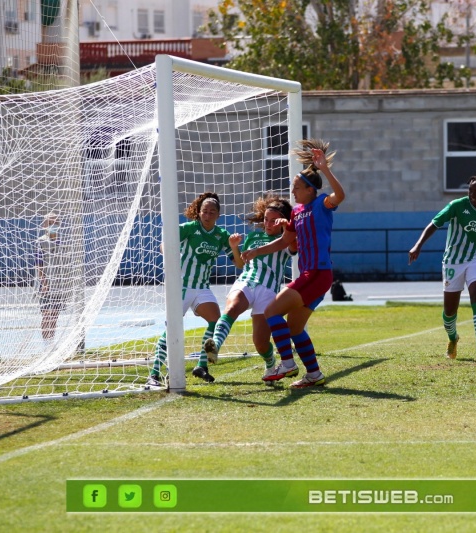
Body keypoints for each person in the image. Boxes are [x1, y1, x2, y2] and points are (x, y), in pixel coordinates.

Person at [241, 139, 345, 388]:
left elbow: (340, 195)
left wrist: (325, 169)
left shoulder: (322, 204)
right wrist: (256, 250)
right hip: (312, 275)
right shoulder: (297, 212)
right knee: (295, 328)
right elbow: (284, 244)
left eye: (296, 187)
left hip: (318, 273)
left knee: (271, 312)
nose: (293, 191)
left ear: (310, 190)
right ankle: (314, 374)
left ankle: (287, 363)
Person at [408, 172, 476, 362]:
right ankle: (453, 338)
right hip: (453, 260)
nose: (472, 193)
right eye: (470, 189)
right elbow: (434, 224)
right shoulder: (456, 206)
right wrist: (418, 245)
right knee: (450, 311)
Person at [147, 192, 242, 387]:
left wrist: (234, 247)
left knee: (216, 320)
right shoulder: (189, 228)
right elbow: (165, 243)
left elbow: (239, 263)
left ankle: (201, 365)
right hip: (182, 286)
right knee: (172, 328)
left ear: (218, 215)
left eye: (211, 212)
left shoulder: (221, 235)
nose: (207, 215)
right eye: (204, 211)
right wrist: (169, 257)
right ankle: (154, 373)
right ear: (199, 213)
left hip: (201, 288)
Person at [202, 195, 297, 381]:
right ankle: (215, 346)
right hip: (246, 281)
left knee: (260, 343)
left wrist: (288, 227)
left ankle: (270, 364)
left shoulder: (285, 239)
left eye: (273, 221)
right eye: (266, 220)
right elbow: (240, 263)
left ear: (281, 222)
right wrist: (235, 248)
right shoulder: (253, 237)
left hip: (268, 290)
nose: (268, 224)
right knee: (232, 308)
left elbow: (294, 247)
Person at [35, 213, 73, 342]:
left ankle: (51, 341)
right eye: (51, 223)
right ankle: (46, 343)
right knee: (47, 315)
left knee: (55, 316)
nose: (54, 225)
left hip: (59, 285)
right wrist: (44, 282)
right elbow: (39, 265)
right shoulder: (41, 241)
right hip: (46, 285)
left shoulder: (64, 242)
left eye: (56, 223)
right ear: (44, 225)